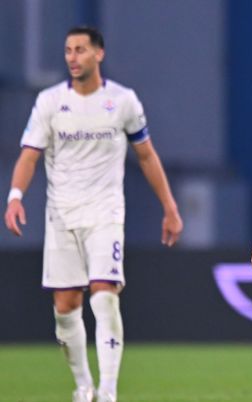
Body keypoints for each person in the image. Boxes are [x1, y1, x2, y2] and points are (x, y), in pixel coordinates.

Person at [4, 26, 183, 402]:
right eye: (68, 50)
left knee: (104, 295)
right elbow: (29, 156)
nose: (73, 57)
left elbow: (146, 155)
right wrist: (15, 197)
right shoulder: (50, 102)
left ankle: (109, 390)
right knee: (66, 308)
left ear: (98, 54)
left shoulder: (122, 101)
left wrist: (169, 206)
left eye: (80, 50)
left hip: (106, 214)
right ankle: (84, 386)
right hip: (61, 216)